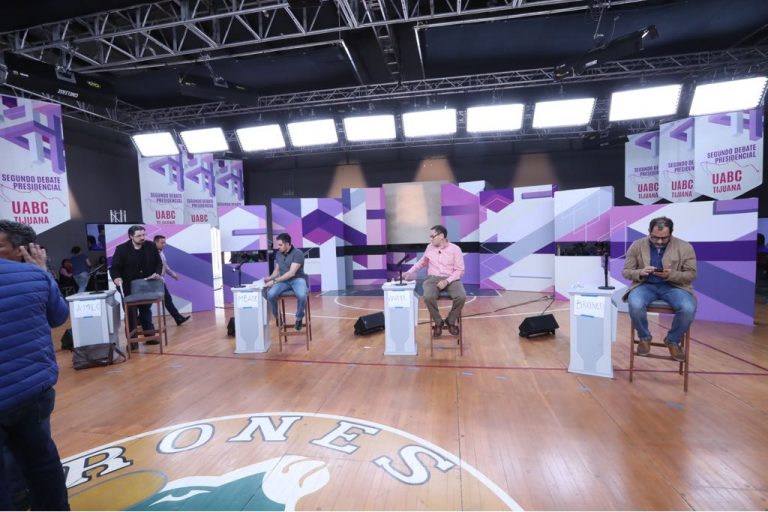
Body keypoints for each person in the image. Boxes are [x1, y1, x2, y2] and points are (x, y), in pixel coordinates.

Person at [0, 219, 71, 510]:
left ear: (22, 249)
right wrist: (42, 274)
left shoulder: (35, 277)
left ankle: (18, 496)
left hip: (27, 390)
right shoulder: (39, 276)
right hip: (34, 390)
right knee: (42, 463)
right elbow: (58, 317)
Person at [621, 216, 697, 362]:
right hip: (644, 285)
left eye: (664, 238)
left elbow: (692, 274)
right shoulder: (637, 245)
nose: (660, 241)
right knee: (635, 304)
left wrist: (671, 275)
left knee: (688, 308)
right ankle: (644, 337)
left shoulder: (685, 246)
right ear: (649, 231)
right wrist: (640, 272)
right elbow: (626, 271)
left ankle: (672, 340)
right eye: (655, 238)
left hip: (675, 287)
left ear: (671, 233)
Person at [403, 224, 466, 337]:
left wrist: (446, 281)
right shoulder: (429, 247)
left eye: (432, 236)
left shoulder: (455, 249)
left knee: (461, 296)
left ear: (441, 236)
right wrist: (410, 272)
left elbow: (460, 270)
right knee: (428, 297)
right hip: (433, 278)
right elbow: (422, 262)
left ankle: (450, 321)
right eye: (430, 236)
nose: (430, 239)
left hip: (451, 278)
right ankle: (438, 322)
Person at [109, 225, 163, 344]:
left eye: (144, 234)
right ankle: (132, 342)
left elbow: (158, 263)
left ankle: (150, 336)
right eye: (139, 236)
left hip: (146, 285)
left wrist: (158, 273)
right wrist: (116, 278)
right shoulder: (121, 249)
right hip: (128, 286)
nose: (142, 237)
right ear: (131, 236)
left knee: (145, 311)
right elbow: (114, 268)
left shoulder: (151, 246)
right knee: (131, 314)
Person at [264, 233, 308, 331]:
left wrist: (274, 281)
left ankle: (299, 318)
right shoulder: (278, 254)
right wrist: (269, 278)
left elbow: (291, 273)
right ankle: (278, 317)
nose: (278, 247)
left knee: (301, 295)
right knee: (270, 294)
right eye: (278, 245)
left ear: (287, 244)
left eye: (280, 245)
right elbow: (277, 270)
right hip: (283, 281)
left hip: (297, 279)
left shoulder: (298, 253)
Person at [153, 235, 190, 326]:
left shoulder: (161, 252)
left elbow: (165, 266)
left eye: (165, 242)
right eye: (162, 243)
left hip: (161, 280)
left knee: (167, 300)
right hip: (155, 281)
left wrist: (173, 275)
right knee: (165, 300)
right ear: (156, 242)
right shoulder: (151, 253)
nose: (164, 245)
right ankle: (178, 318)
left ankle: (178, 318)